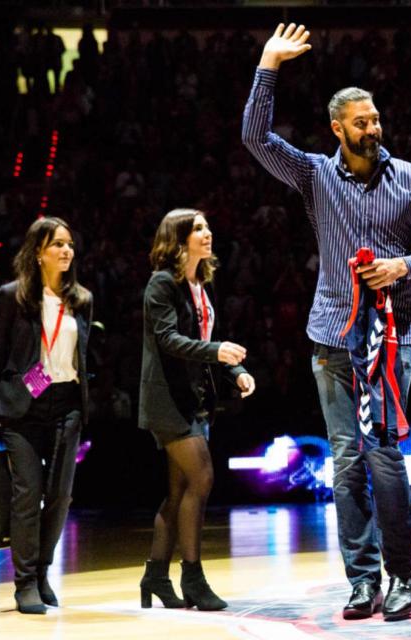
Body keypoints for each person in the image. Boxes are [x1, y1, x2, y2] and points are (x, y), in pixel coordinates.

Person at [243, 24, 411, 621]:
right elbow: (254, 136)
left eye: (376, 119)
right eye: (361, 122)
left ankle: (403, 575)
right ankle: (362, 581)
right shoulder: (313, 175)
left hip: (394, 340)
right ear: (338, 129)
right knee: (346, 461)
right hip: (332, 338)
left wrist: (402, 266)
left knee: (383, 455)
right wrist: (268, 65)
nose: (373, 129)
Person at [138, 209, 255, 611]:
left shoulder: (200, 282)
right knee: (202, 477)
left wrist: (234, 369)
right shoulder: (161, 283)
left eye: (208, 226)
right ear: (179, 239)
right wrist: (217, 351)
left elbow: (206, 340)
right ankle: (193, 577)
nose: (208, 233)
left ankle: (155, 575)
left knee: (178, 492)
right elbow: (169, 339)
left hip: (195, 399)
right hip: (167, 400)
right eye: (198, 229)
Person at [0, 217, 93, 614]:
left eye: (70, 244)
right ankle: (24, 584)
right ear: (38, 253)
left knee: (61, 496)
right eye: (58, 245)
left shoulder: (81, 299)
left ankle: (43, 573)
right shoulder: (12, 296)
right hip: (23, 407)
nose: (67, 251)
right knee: (26, 495)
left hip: (66, 405)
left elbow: (81, 356)